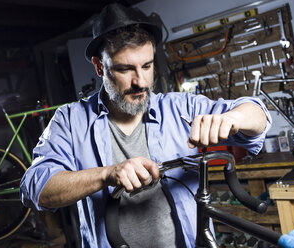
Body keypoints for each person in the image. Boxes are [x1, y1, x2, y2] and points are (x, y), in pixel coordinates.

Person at [20, 3, 271, 248]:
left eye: (147, 66)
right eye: (125, 69)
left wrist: (232, 119)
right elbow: (36, 188)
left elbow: (258, 115)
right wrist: (106, 174)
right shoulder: (70, 120)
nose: (141, 81)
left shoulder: (179, 108)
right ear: (99, 67)